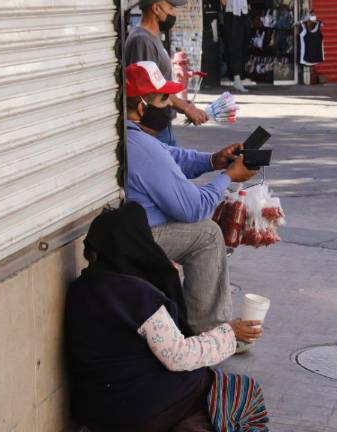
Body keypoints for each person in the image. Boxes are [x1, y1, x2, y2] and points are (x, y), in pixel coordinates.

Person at [65, 203, 269, 432]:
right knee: (239, 391)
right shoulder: (138, 296)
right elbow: (178, 356)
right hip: (139, 411)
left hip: (96, 411)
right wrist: (230, 333)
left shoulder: (80, 289)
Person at [124, 61, 257, 340]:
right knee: (206, 234)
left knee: (202, 228)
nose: (170, 106)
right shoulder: (141, 146)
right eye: (164, 99)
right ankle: (209, 333)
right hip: (140, 236)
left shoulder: (135, 135)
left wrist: (213, 160)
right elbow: (192, 208)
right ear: (141, 108)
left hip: (134, 229)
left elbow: (173, 158)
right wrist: (228, 177)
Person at [125, 0, 210, 147]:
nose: (174, 13)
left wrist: (186, 105)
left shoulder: (151, 37)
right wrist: (187, 108)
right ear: (156, 8)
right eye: (170, 7)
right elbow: (149, 92)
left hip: (161, 127)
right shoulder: (142, 40)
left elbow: (161, 86)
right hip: (152, 130)